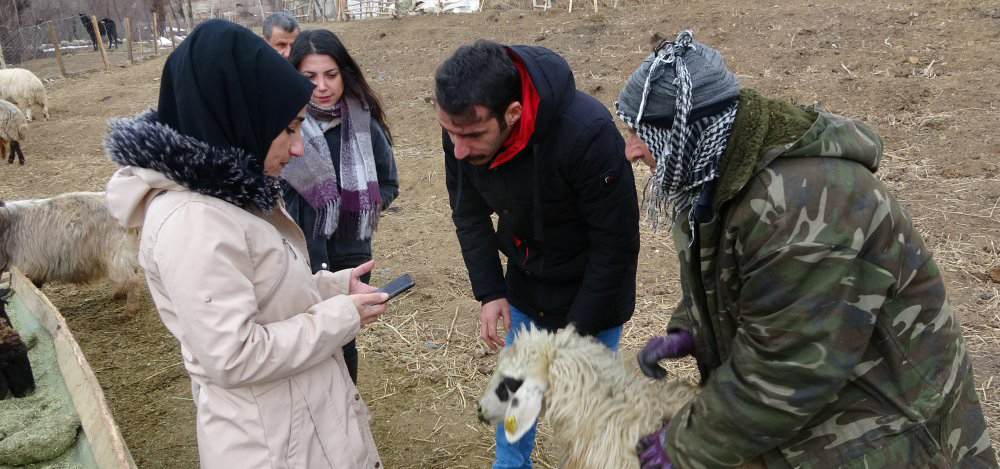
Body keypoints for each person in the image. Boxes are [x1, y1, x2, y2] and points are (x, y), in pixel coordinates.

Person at [616, 30, 998, 469]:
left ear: (691, 132)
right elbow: (738, 280)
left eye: (642, 134)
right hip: (826, 404)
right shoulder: (714, 174)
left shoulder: (803, 208)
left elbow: (786, 372)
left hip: (890, 423)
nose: (629, 151)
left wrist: (685, 445)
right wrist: (691, 327)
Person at [103, 20, 386, 468]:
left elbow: (261, 292)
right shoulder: (192, 222)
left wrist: (329, 289)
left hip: (295, 418)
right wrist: (339, 317)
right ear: (239, 119)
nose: (298, 150)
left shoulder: (233, 194)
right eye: (290, 129)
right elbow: (234, 355)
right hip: (271, 442)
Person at [435, 39, 640, 469]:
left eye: (470, 135)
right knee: (514, 404)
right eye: (450, 133)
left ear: (512, 114)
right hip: (527, 285)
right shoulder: (462, 125)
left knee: (587, 418)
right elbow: (468, 213)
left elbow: (615, 245)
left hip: (592, 293)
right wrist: (491, 291)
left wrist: (574, 339)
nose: (458, 149)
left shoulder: (588, 133)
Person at [282, 29, 399, 384]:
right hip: (299, 251)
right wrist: (310, 201)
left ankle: (347, 406)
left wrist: (355, 202)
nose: (322, 85)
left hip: (351, 254)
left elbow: (389, 183)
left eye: (330, 75)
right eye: (310, 77)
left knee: (343, 339)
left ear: (344, 74)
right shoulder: (285, 128)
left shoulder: (364, 124)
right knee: (302, 337)